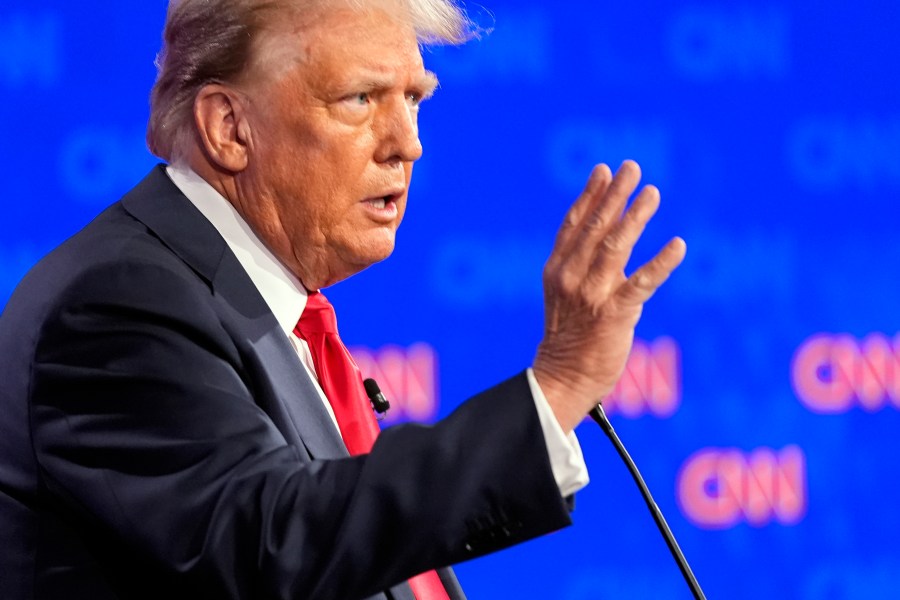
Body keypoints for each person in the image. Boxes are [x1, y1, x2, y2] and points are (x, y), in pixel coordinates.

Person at [0, 0, 686, 598]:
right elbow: (273, 546)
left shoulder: (260, 305)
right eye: (360, 99)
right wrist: (558, 386)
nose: (408, 145)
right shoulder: (118, 305)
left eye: (414, 99)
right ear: (229, 128)